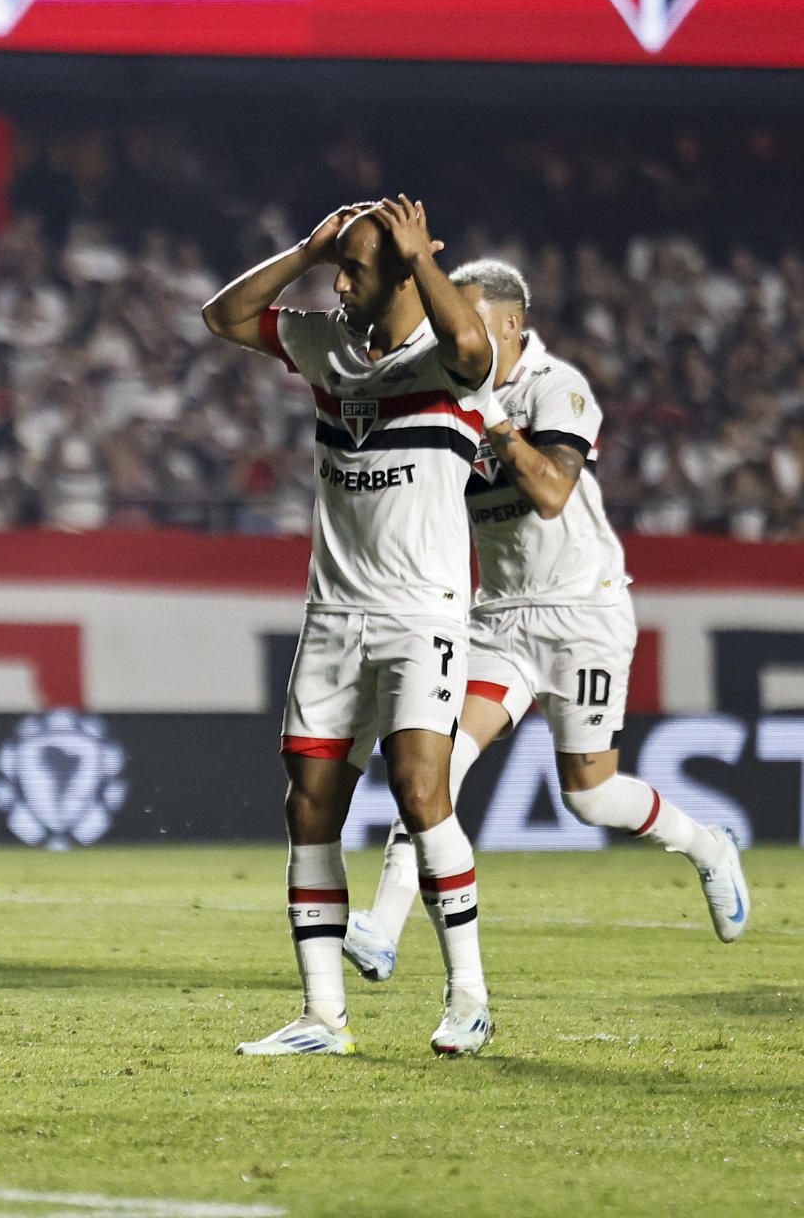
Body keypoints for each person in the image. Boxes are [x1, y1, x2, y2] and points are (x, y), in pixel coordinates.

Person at [341, 259, 750, 979]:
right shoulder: (448, 388)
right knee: (433, 766)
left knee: (591, 796)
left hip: (582, 611)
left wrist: (489, 412)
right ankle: (383, 924)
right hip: (498, 618)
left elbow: (552, 493)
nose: (452, 330)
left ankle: (708, 845)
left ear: (508, 323)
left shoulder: (555, 386)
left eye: (464, 317)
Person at [202, 197, 498, 1055]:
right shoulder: (327, 342)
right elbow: (223, 316)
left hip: (422, 614)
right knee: (310, 807)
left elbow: (476, 353)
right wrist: (305, 248)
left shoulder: (444, 354)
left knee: (419, 789)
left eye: (356, 270)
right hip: (334, 613)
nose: (339, 285)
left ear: (404, 272)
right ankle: (322, 1016)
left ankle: (468, 997)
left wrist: (420, 260)